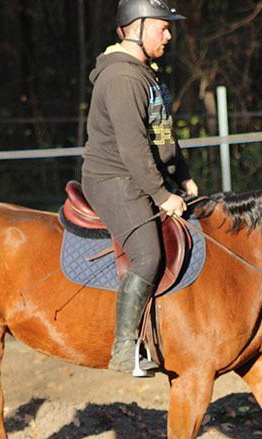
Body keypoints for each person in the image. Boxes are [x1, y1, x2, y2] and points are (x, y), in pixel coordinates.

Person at [81, 0, 198, 376]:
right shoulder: (123, 79)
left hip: (142, 175)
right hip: (115, 179)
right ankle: (124, 348)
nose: (169, 34)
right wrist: (163, 196)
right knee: (148, 256)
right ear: (139, 26)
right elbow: (133, 149)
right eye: (162, 27)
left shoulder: (147, 74)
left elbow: (163, 133)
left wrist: (183, 176)